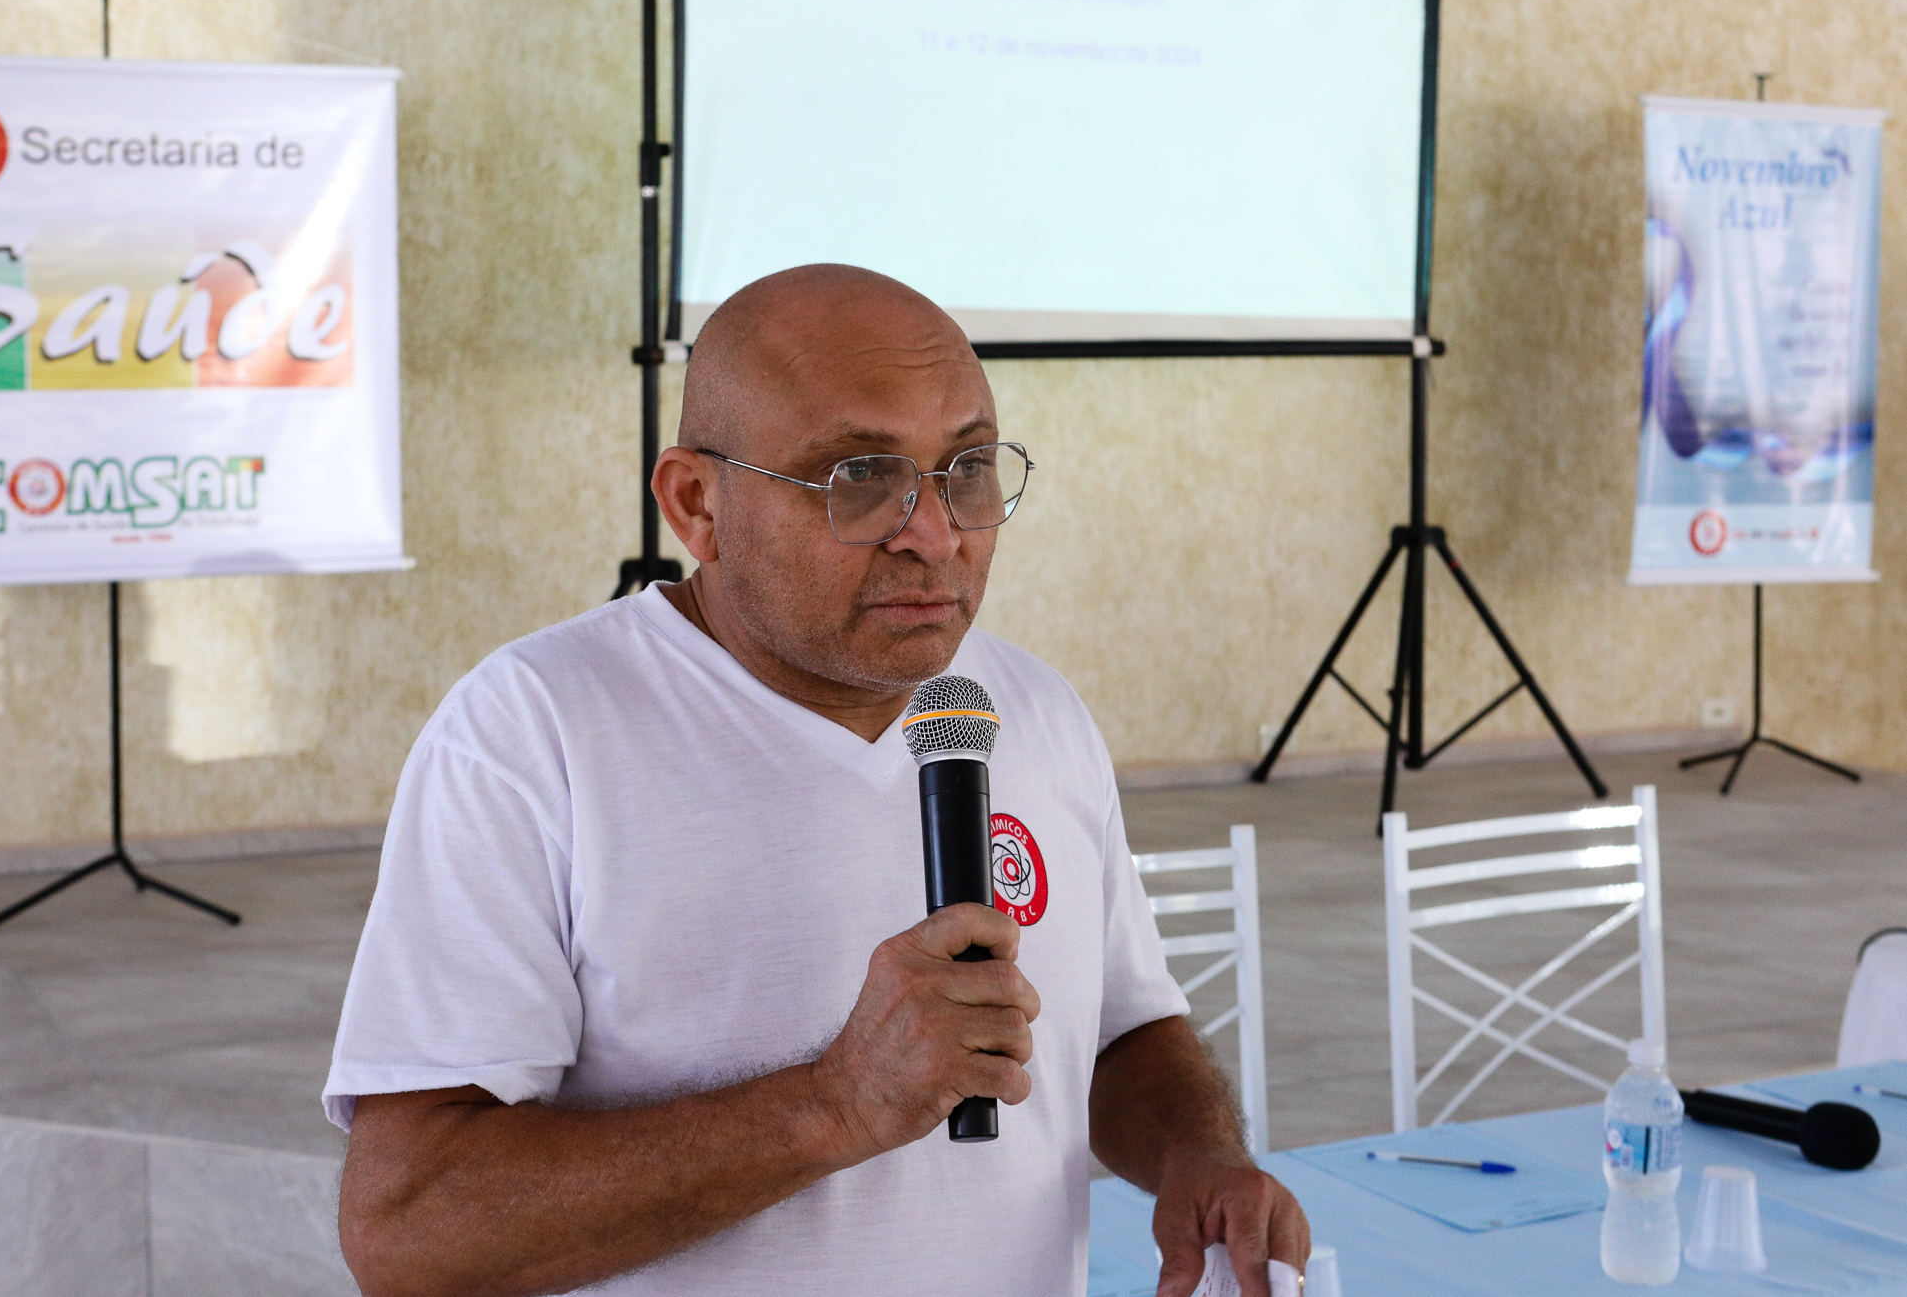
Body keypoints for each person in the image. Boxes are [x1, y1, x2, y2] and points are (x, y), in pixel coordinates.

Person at [326, 264, 1308, 1296]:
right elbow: (407, 1228)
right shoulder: (533, 733)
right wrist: (834, 1104)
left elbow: (1119, 1031)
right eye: (859, 478)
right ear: (696, 504)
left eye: (967, 468)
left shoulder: (1036, 707)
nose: (934, 534)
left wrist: (1197, 1158)